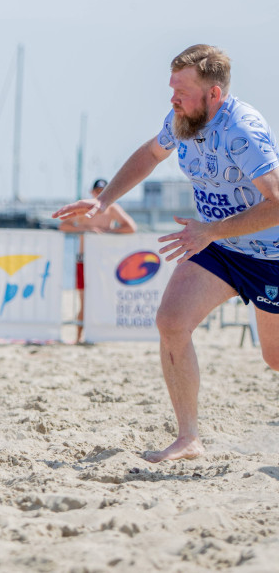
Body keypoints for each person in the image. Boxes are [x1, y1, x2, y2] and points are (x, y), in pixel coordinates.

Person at [53, 44, 279, 463]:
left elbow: (278, 201)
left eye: (182, 90)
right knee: (171, 321)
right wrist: (104, 203)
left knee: (275, 358)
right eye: (171, 88)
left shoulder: (242, 130)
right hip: (217, 246)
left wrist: (212, 229)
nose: (172, 98)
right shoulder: (182, 119)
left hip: (270, 254)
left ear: (214, 94)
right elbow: (151, 154)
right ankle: (188, 438)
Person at [57, 178, 136, 343]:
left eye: (103, 191)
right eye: (97, 191)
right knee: (83, 299)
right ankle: (79, 336)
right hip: (83, 259)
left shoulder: (112, 208)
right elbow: (63, 226)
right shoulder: (83, 209)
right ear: (92, 192)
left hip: (104, 259)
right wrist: (87, 229)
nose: (100, 194)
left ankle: (102, 334)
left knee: (105, 296)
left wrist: (107, 232)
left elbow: (131, 227)